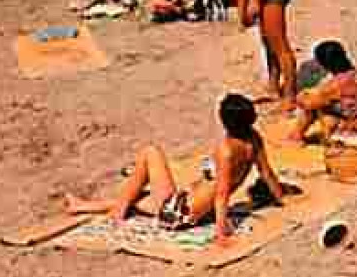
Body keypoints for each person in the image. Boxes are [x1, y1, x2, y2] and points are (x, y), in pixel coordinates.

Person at [65, 94, 289, 244]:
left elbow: (221, 195)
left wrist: (222, 232)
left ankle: (117, 212)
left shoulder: (226, 151)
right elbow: (266, 173)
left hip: (180, 212)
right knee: (142, 197)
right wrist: (282, 199)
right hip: (188, 207)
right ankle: (86, 206)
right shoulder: (254, 140)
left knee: (150, 153)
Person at [293, 40, 357, 149]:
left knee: (316, 107)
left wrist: (304, 93)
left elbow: (305, 103)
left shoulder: (336, 85)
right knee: (324, 101)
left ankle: (296, 136)